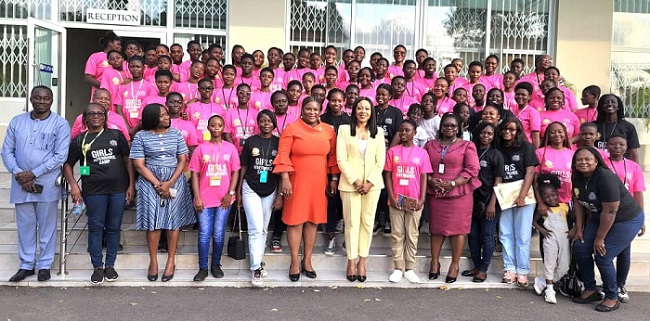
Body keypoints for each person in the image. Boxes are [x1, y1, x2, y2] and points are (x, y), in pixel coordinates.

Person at [1, 86, 70, 282]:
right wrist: (19, 174)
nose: (41, 101)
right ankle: (26, 265)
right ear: (31, 98)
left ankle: (44, 265)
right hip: (20, 183)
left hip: (46, 183)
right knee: (25, 225)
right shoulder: (17, 121)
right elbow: (7, 151)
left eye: (46, 98)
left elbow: (60, 156)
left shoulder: (60, 124)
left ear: (52, 100)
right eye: (37, 98)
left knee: (47, 226)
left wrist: (33, 174)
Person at [63, 103, 135, 284]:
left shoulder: (116, 135)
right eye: (91, 114)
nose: (95, 116)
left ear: (105, 116)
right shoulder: (80, 140)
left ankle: (110, 265)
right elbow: (67, 165)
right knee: (95, 227)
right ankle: (97, 266)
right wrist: (73, 185)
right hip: (93, 191)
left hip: (118, 189)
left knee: (113, 227)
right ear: (85, 118)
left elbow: (128, 161)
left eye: (99, 113)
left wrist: (131, 185)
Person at [570, 147, 644, 312]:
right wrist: (579, 227)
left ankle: (612, 296)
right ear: (574, 163)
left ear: (596, 161)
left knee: (603, 255)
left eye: (588, 159)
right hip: (599, 217)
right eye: (579, 159)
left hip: (626, 219)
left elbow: (611, 211)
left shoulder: (605, 177)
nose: (583, 162)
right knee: (580, 247)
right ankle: (591, 289)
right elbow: (578, 202)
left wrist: (600, 238)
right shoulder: (577, 176)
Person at [273, 97, 338, 281]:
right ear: (302, 110)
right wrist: (285, 178)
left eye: (316, 109)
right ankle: (294, 261)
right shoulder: (292, 129)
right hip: (296, 182)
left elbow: (332, 156)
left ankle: (307, 261)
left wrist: (333, 179)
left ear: (320, 111)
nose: (312, 112)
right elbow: (283, 155)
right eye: (308, 108)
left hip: (319, 182)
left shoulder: (328, 130)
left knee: (312, 220)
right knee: (295, 221)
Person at [129, 103, 195, 282]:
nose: (167, 117)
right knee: (153, 222)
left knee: (173, 222)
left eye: (167, 114)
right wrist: (158, 184)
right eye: (163, 115)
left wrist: (170, 182)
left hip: (174, 180)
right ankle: (153, 262)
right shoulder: (141, 137)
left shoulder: (176, 134)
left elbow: (182, 159)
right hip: (150, 181)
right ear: (152, 118)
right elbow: (138, 164)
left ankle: (171, 261)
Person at [424, 113, 480, 283]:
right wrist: (430, 180)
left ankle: (454, 265)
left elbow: (472, 169)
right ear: (441, 127)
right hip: (436, 191)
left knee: (458, 230)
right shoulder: (430, 145)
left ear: (459, 128)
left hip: (459, 193)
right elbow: (423, 166)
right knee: (436, 228)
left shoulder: (467, 146)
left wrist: (453, 184)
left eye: (453, 126)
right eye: (446, 125)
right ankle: (434, 262)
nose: (449, 128)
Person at [336, 98, 386, 282]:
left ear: (371, 111)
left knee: (367, 222)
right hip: (350, 185)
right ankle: (351, 260)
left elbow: (380, 160)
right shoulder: (343, 130)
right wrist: (356, 181)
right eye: (359, 108)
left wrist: (369, 182)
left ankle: (362, 261)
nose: (363, 111)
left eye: (366, 108)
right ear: (354, 110)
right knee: (351, 223)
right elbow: (341, 159)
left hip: (372, 186)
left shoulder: (378, 132)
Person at [190, 114, 240, 281]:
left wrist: (230, 193)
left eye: (219, 125)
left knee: (218, 233)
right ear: (208, 127)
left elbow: (235, 172)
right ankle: (203, 268)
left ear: (223, 127)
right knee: (204, 233)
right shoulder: (200, 149)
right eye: (213, 125)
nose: (216, 127)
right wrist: (197, 196)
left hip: (224, 199)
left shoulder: (230, 148)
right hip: (204, 198)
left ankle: (216, 264)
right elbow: (195, 174)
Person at [238, 110, 282, 286]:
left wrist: (279, 195)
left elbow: (281, 172)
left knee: (263, 228)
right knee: (255, 228)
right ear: (258, 123)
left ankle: (260, 260)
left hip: (270, 189)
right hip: (251, 187)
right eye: (262, 121)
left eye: (269, 121)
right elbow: (244, 167)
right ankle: (256, 268)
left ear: (274, 123)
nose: (265, 124)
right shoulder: (251, 142)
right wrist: (239, 190)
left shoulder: (279, 143)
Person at [385, 120, 432, 283]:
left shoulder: (422, 153)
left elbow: (424, 176)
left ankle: (410, 268)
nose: (403, 133)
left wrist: (422, 198)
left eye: (407, 130)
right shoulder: (392, 152)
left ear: (415, 132)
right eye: (401, 131)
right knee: (397, 234)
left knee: (412, 234)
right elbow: (388, 175)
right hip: (397, 199)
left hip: (414, 200)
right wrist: (391, 196)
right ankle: (398, 267)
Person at [497, 117, 539, 286]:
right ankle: (509, 268)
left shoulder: (526, 147)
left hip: (524, 193)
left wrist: (522, 196)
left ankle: (522, 271)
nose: (508, 132)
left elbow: (530, 172)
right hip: (505, 193)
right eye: (505, 129)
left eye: (512, 129)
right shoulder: (498, 147)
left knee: (522, 234)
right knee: (505, 233)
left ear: (518, 131)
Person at [605, 134, 646, 303]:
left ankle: (620, 284)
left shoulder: (633, 166)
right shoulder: (602, 164)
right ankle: (608, 284)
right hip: (605, 212)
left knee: (624, 251)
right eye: (613, 144)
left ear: (626, 146)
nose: (617, 147)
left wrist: (641, 218)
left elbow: (638, 192)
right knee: (604, 251)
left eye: (621, 144)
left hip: (627, 214)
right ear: (607, 146)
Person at [464, 122, 504, 283]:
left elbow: (498, 180)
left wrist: (492, 203)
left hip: (489, 200)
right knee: (472, 235)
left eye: (490, 134)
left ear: (494, 136)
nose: (486, 136)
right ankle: (476, 265)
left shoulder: (496, 154)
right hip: (471, 199)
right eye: (483, 133)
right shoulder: (470, 150)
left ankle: (483, 269)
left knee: (487, 235)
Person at [320, 89, 351, 255]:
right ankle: (330, 239)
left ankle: (348, 239)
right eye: (333, 100)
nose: (336, 104)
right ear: (328, 101)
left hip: (345, 169)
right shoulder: (322, 119)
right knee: (329, 204)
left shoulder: (349, 120)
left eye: (340, 100)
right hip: (324, 168)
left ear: (344, 101)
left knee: (345, 204)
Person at [532, 174, 570, 304]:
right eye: (546, 196)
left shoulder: (564, 207)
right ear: (542, 198)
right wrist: (541, 230)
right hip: (550, 239)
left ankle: (543, 281)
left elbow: (577, 220)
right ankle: (549, 291)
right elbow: (534, 221)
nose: (551, 198)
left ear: (557, 193)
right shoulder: (544, 210)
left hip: (564, 239)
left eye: (553, 194)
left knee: (564, 266)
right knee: (550, 263)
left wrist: (574, 230)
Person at [534, 122, 574, 210]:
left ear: (565, 133)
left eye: (560, 131)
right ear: (548, 135)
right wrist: (540, 203)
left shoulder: (572, 153)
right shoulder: (540, 152)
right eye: (553, 132)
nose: (557, 134)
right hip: (548, 202)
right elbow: (535, 180)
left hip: (567, 201)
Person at [593, 94, 640, 162]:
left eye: (613, 102)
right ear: (602, 107)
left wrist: (636, 170)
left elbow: (633, 154)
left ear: (618, 106)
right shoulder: (593, 126)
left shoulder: (628, 127)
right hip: (599, 165)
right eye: (606, 102)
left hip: (621, 165)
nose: (609, 104)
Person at [85, 31, 122, 96]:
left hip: (117, 96)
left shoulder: (121, 59)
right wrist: (104, 87)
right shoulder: (95, 57)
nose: (120, 47)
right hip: (100, 96)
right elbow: (88, 77)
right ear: (110, 43)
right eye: (118, 44)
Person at [514, 82, 541, 148]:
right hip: (513, 146)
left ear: (529, 97)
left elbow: (535, 136)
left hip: (526, 147)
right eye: (517, 94)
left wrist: (534, 152)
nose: (520, 97)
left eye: (523, 95)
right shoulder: (513, 110)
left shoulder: (533, 112)